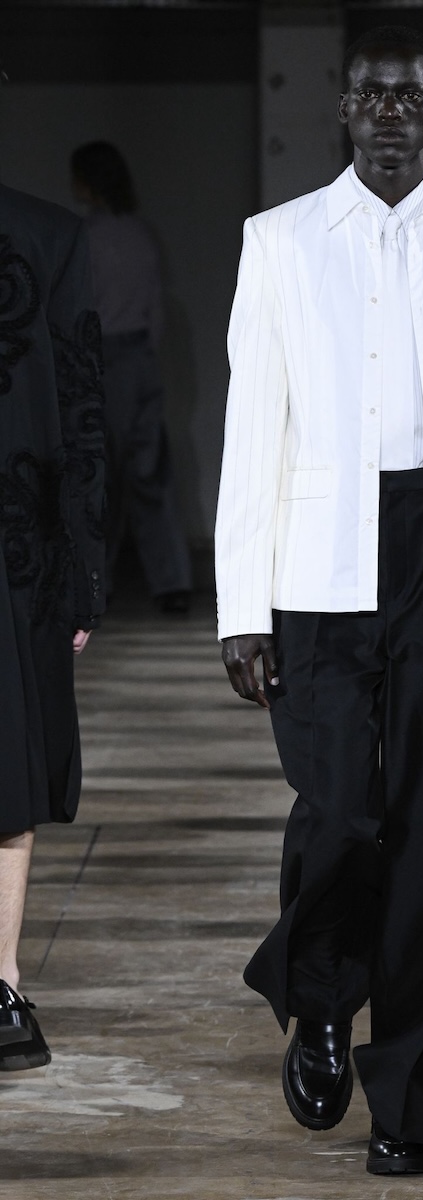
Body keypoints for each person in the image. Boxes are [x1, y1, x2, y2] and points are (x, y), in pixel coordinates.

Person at [215, 24, 423, 1176]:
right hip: (315, 560)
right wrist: (240, 605)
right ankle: (316, 995)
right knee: (341, 813)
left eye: (409, 97)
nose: (390, 113)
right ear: (345, 109)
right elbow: (253, 423)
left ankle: (409, 1100)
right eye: (371, 96)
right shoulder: (280, 240)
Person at [0, 181, 105, 1070]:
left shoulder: (49, 234)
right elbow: (83, 406)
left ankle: (0, 983)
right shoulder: (50, 232)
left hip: (18, 544)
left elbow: (80, 402)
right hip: (22, 541)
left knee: (13, 761)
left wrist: (84, 567)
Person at [70, 141, 192, 612]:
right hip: (141, 357)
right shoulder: (140, 233)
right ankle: (172, 583)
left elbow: (81, 305)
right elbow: (156, 306)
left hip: (103, 357)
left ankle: (96, 584)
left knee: (98, 477)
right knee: (149, 473)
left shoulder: (85, 236)